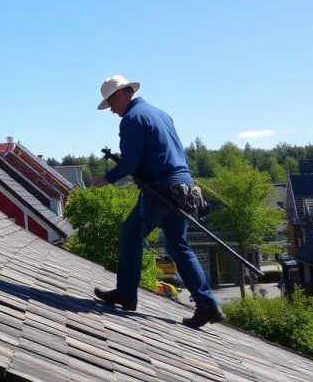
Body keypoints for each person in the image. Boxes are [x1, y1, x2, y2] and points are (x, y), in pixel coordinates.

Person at [92, 74, 224, 328]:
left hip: (162, 187)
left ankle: (126, 294)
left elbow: (132, 162)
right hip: (183, 186)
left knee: (131, 234)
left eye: (111, 103)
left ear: (120, 94)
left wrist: (106, 179)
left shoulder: (132, 118)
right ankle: (207, 305)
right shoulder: (160, 114)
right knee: (177, 244)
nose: (112, 111)